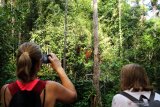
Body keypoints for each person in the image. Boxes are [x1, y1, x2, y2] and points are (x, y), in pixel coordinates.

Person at [0, 42, 77, 107]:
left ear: (18, 62)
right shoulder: (50, 88)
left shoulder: (5, 90)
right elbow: (73, 96)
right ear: (38, 64)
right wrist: (59, 68)